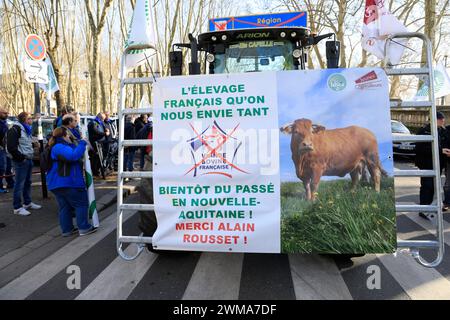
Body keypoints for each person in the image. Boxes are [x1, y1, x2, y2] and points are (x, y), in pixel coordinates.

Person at [46, 127, 97, 237]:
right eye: (69, 135)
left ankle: (67, 230)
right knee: (80, 204)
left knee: (65, 207)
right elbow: (73, 156)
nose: (71, 137)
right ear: (64, 136)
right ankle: (83, 227)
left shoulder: (57, 146)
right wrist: (83, 143)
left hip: (58, 183)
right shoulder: (59, 147)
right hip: (69, 182)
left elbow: (73, 153)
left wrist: (79, 145)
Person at [415, 112, 450, 219]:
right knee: (427, 187)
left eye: (443, 119)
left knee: (433, 187)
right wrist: (441, 151)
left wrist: (447, 151)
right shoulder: (424, 131)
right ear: (434, 120)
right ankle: (423, 210)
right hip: (426, 164)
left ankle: (429, 209)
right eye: (440, 119)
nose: (443, 121)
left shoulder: (443, 131)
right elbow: (421, 149)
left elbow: (446, 144)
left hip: (438, 164)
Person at [6, 112, 42, 216]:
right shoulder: (15, 129)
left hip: (28, 159)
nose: (31, 120)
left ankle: (27, 202)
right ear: (24, 120)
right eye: (29, 118)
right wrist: (21, 158)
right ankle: (17, 207)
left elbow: (24, 142)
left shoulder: (26, 129)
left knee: (27, 182)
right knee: (19, 184)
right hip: (21, 161)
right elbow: (11, 147)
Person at [88, 112, 108, 177]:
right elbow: (95, 131)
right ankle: (95, 172)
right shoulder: (93, 123)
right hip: (95, 143)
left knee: (100, 158)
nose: (103, 120)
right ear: (99, 117)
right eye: (102, 119)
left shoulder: (100, 122)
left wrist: (106, 130)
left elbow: (103, 129)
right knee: (96, 158)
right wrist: (104, 133)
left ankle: (98, 170)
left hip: (101, 142)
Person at [0, 107, 14, 193]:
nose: (7, 115)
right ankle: (0, 186)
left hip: (6, 148)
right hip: (1, 148)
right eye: (5, 113)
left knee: (9, 166)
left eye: (7, 113)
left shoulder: (5, 122)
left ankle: (11, 183)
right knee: (1, 167)